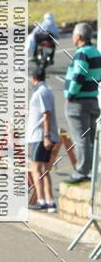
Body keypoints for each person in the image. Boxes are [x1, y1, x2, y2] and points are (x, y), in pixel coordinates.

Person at [63, 21, 101, 184]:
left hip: (78, 102)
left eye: (73, 34)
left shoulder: (82, 53)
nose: (72, 37)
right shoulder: (95, 52)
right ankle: (91, 169)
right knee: (90, 138)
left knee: (81, 138)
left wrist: (70, 94)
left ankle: (82, 171)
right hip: (92, 98)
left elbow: (78, 75)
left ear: (78, 36)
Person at [27, 64, 59, 213]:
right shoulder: (47, 91)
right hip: (42, 135)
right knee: (44, 169)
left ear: (33, 78)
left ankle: (41, 200)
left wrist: (46, 136)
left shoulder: (41, 92)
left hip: (39, 136)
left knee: (37, 169)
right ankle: (49, 201)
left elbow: (46, 114)